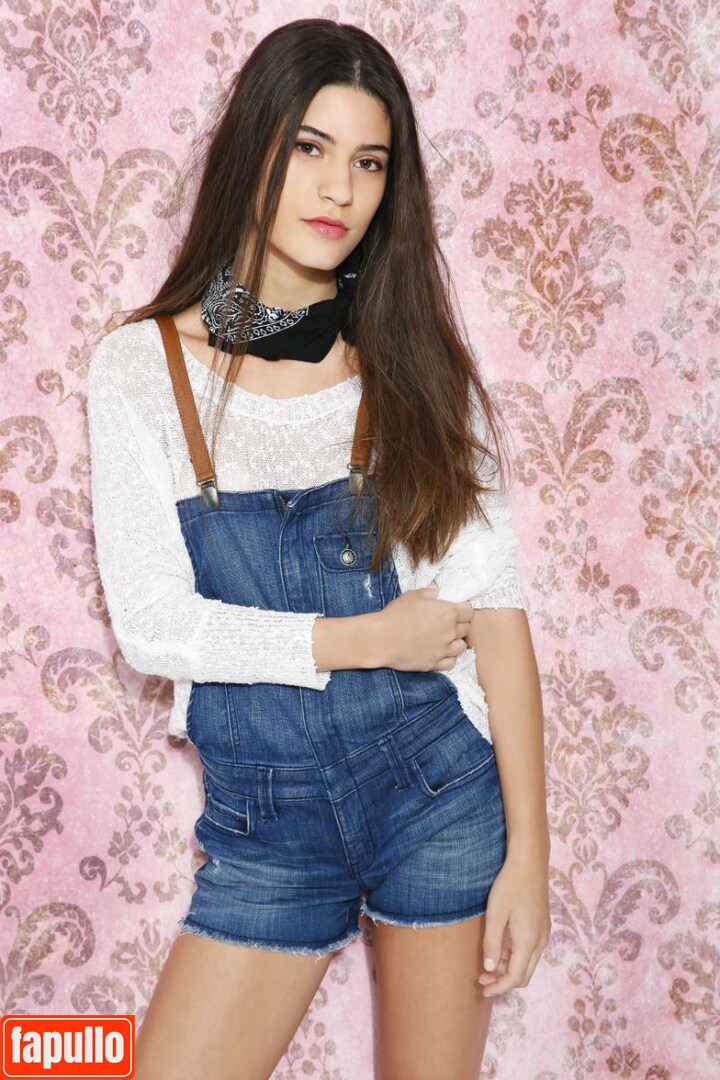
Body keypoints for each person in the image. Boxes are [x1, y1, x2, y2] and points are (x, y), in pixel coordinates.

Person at [86, 17, 551, 1080]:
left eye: (369, 162)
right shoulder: (142, 369)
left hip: (437, 799)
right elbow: (154, 627)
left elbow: (495, 609)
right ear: (252, 147)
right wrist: (365, 638)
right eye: (309, 147)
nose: (339, 188)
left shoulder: (411, 365)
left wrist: (531, 856)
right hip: (267, 828)